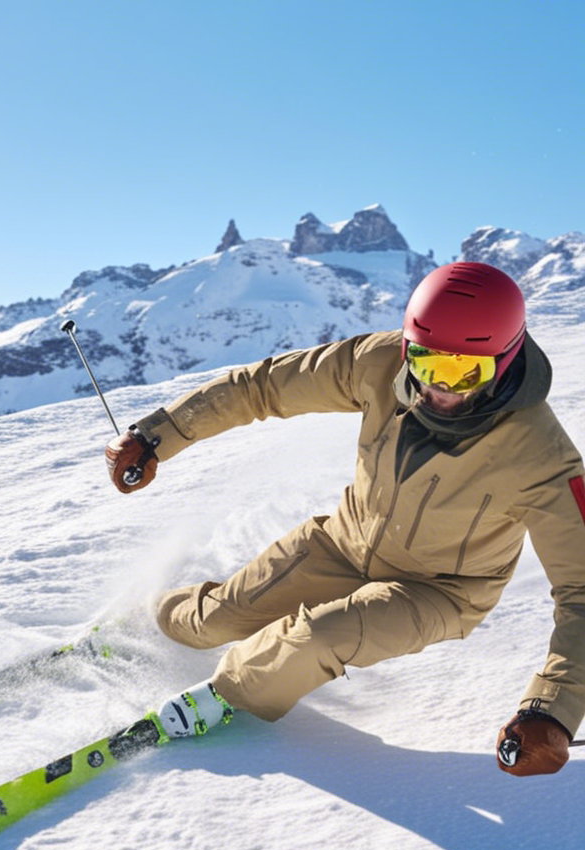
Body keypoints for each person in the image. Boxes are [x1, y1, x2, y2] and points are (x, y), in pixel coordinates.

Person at [105, 262, 585, 776]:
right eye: (425, 363)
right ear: (406, 348)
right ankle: (142, 622)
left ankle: (222, 698)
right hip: (342, 543)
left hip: (440, 590)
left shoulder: (542, 455)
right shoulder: (377, 364)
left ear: (505, 361)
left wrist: (550, 710)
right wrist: (160, 434)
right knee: (213, 619)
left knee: (314, 638)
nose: (438, 389)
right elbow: (262, 387)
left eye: (465, 373)